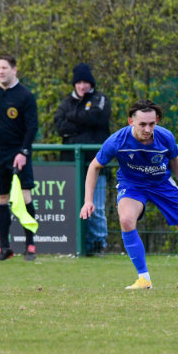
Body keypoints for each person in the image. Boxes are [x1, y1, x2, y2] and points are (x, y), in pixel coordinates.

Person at [81, 100, 178, 289]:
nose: (147, 129)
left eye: (152, 124)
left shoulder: (165, 137)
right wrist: (88, 201)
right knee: (126, 220)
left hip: (162, 184)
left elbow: (175, 161)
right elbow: (94, 166)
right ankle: (144, 278)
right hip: (132, 185)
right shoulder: (117, 140)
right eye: (142, 124)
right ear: (131, 121)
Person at [0, 54, 39, 261]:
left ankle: (30, 245)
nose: (1, 71)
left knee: (24, 196)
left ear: (14, 70)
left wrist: (23, 152)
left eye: (4, 68)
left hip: (18, 153)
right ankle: (4, 247)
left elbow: (32, 127)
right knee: (0, 198)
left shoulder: (25, 95)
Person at [54, 63, 111, 256]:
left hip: (96, 165)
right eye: (78, 82)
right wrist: (84, 122)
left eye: (85, 82)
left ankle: (98, 244)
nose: (82, 86)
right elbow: (60, 126)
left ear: (91, 83)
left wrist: (72, 119)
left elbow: (97, 118)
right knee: (73, 206)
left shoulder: (100, 99)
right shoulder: (65, 102)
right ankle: (77, 245)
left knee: (97, 208)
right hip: (71, 166)